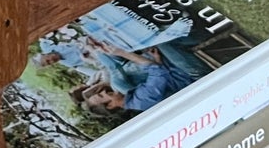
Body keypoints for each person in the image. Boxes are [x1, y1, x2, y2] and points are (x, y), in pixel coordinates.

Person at [74, 31, 207, 116]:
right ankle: (208, 29)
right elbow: (157, 71)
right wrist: (122, 53)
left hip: (172, 70)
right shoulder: (141, 101)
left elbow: (158, 73)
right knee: (161, 41)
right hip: (191, 76)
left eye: (99, 93)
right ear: (110, 105)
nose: (102, 92)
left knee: (151, 42)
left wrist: (156, 60)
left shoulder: (132, 98)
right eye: (101, 96)